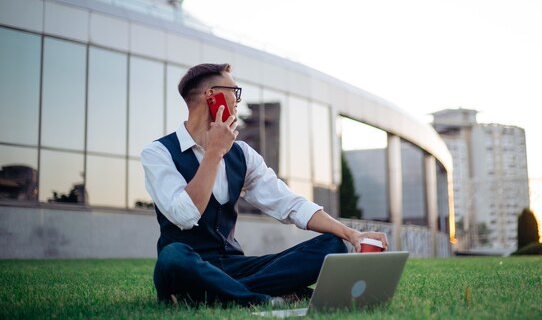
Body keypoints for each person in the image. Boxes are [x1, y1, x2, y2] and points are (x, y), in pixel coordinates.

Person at [141, 63, 387, 307]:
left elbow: (289, 204)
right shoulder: (158, 153)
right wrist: (214, 151)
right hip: (189, 263)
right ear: (211, 96)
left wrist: (352, 234)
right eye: (234, 91)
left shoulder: (242, 154)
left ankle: (216, 292)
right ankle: (263, 298)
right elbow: (184, 215)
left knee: (331, 245)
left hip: (234, 267)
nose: (238, 101)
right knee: (173, 257)